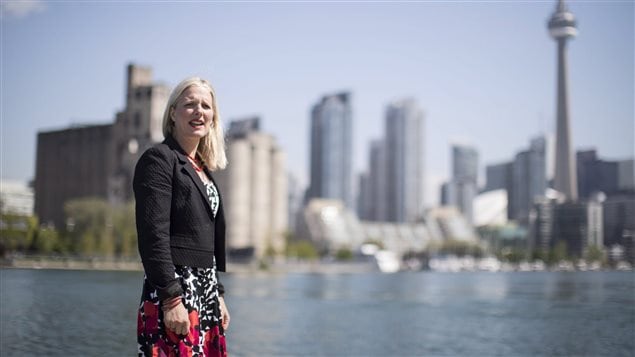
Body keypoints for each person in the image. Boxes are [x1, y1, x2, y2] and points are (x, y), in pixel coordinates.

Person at [134, 77, 230, 356]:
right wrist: (171, 300)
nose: (199, 111)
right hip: (175, 292)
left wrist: (218, 294)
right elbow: (153, 235)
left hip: (205, 293)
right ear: (173, 113)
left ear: (213, 118)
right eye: (189, 104)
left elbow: (205, 240)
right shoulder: (159, 160)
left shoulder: (201, 168)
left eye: (206, 106)